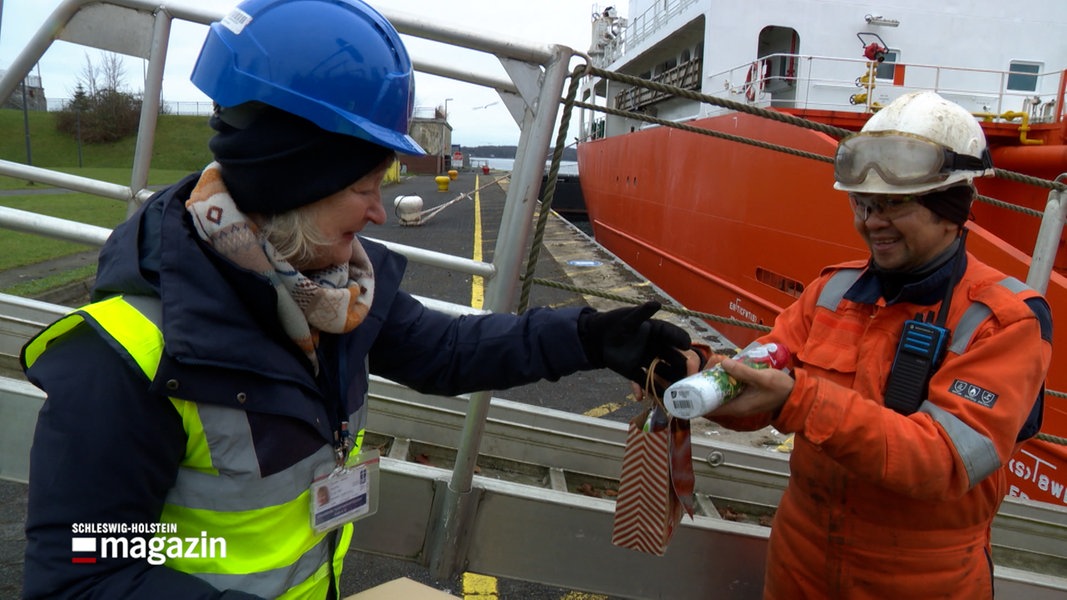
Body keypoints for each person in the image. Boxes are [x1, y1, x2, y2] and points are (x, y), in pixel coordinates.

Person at [18, 1, 694, 598]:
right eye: (364, 187)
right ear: (294, 182)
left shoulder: (325, 291)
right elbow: (87, 572)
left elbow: (445, 352)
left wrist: (585, 337)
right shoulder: (123, 358)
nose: (379, 213)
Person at [706, 91, 1052, 599]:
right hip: (799, 565)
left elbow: (945, 462)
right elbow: (759, 387)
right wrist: (696, 370)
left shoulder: (1004, 321)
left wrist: (799, 400)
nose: (871, 222)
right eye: (863, 204)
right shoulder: (832, 292)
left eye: (894, 205)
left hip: (923, 580)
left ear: (952, 211)